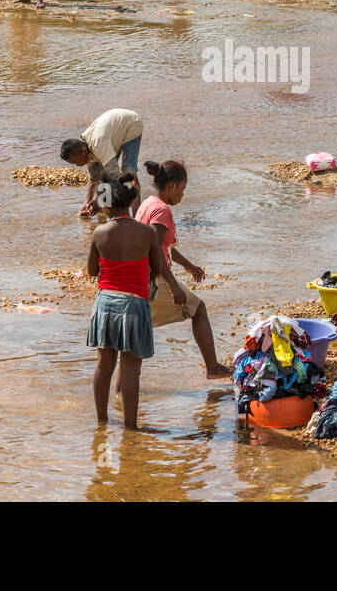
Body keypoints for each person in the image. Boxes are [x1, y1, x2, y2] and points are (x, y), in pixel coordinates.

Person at [85, 167, 187, 431]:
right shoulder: (146, 234)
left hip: (105, 303)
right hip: (134, 303)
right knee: (131, 369)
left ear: (107, 204)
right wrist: (175, 288)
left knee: (104, 365)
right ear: (132, 201)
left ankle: (101, 422)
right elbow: (159, 267)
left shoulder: (99, 234)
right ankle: (131, 428)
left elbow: (92, 271)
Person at [136, 160, 231, 379]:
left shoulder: (148, 203)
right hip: (155, 280)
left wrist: (190, 266)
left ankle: (124, 391)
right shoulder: (161, 210)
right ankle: (213, 369)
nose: (182, 195)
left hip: (142, 278)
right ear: (171, 186)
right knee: (198, 309)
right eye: (182, 189)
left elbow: (164, 247)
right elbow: (155, 249)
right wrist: (173, 285)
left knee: (136, 339)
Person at [61, 109, 145, 216]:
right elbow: (94, 178)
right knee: (102, 176)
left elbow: (114, 175)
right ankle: (104, 210)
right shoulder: (85, 149)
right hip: (113, 134)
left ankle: (136, 215)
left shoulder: (98, 145)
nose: (77, 165)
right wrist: (87, 202)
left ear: (83, 152)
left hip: (131, 124)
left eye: (76, 162)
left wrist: (98, 200)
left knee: (128, 173)